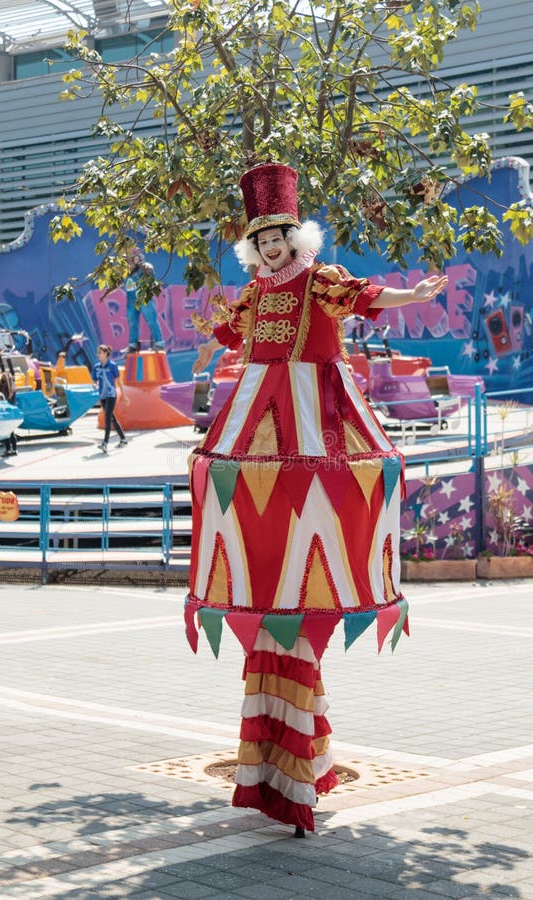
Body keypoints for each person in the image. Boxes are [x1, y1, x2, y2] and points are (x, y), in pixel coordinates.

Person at [186, 163, 448, 837]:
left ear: (296, 236)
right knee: (270, 582)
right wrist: (206, 343)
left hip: (318, 414)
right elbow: (225, 330)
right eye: (262, 240)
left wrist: (413, 293)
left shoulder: (317, 281)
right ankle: (284, 766)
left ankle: (293, 767)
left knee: (300, 591)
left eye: (280, 236)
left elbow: (365, 296)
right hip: (257, 412)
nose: (272, 248)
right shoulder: (254, 293)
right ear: (254, 246)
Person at [123, 247, 165, 352]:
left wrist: (141, 264)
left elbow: (150, 273)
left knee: (151, 320)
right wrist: (105, 294)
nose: (127, 263)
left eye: (130, 260)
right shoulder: (126, 273)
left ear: (137, 259)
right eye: (126, 260)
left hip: (144, 298)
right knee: (132, 322)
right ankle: (133, 345)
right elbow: (115, 284)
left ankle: (159, 342)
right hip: (131, 301)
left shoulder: (145, 268)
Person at [91, 344, 128, 453]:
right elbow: (94, 380)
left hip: (111, 395)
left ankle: (105, 443)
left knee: (107, 417)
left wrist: (124, 395)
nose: (98, 355)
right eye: (97, 352)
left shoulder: (112, 365)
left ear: (106, 353)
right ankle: (123, 439)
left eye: (100, 352)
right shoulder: (96, 367)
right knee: (112, 418)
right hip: (102, 396)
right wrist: (94, 384)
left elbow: (119, 381)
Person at [0, 371, 18, 457]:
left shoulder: (3, 388)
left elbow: (0, 399)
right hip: (12, 412)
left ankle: (8, 449)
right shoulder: (12, 389)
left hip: (5, 412)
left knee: (5, 432)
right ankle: (15, 449)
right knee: (11, 431)